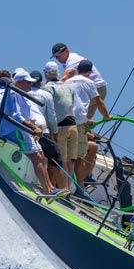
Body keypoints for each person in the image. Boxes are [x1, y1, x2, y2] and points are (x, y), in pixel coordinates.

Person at [0, 69, 54, 194]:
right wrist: (33, 128)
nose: (31, 84)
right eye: (28, 82)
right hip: (15, 130)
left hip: (23, 130)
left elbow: (24, 114)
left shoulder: (20, 93)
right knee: (36, 157)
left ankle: (50, 188)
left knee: (41, 155)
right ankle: (47, 191)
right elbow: (16, 116)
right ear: (20, 82)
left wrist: (33, 125)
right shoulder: (13, 93)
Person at [66, 59, 110, 184]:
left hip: (64, 122)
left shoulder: (68, 82)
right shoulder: (89, 83)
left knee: (67, 155)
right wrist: (106, 116)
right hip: (77, 124)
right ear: (90, 72)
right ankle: (79, 186)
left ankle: (65, 185)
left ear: (78, 70)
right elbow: (99, 102)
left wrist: (86, 120)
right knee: (79, 158)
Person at [27, 69, 66, 190]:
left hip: (25, 130)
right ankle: (63, 191)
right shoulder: (46, 94)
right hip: (42, 131)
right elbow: (52, 117)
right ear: (41, 82)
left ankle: (47, 186)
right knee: (56, 160)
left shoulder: (22, 93)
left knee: (38, 157)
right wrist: (55, 133)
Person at [42, 61, 78, 190]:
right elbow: (71, 104)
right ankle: (68, 188)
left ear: (45, 73)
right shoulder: (69, 87)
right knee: (70, 162)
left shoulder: (48, 88)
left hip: (60, 129)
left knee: (61, 162)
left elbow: (49, 110)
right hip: (73, 127)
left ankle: (64, 191)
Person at [51, 43, 108, 119]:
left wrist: (50, 91)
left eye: (58, 56)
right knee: (85, 121)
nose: (57, 59)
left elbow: (65, 78)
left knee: (71, 111)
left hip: (95, 89)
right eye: (56, 57)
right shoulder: (67, 61)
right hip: (97, 89)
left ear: (67, 51)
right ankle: (85, 129)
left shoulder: (72, 59)